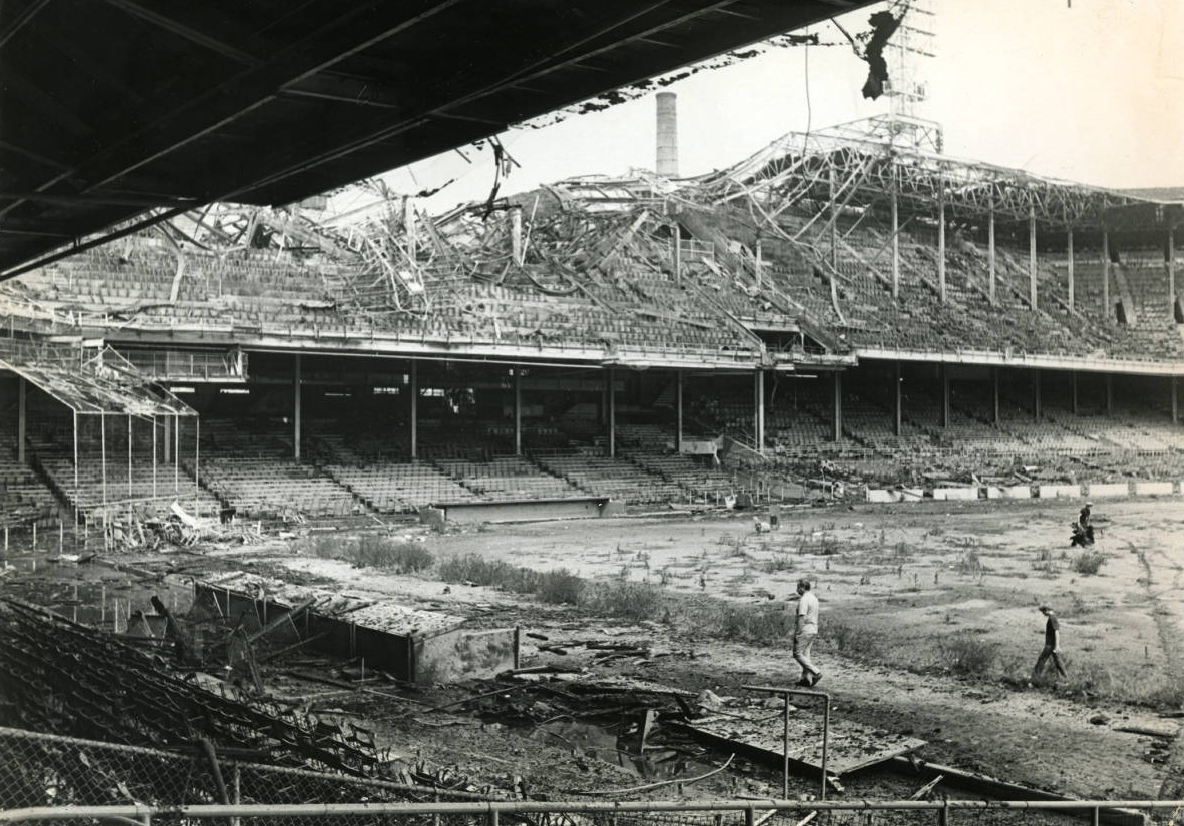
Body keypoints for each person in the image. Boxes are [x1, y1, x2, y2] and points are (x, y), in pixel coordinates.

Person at [793, 578, 821, 687]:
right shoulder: (814, 598)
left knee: (797, 653)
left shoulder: (804, 599)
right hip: (813, 628)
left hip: (805, 628)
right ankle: (805, 678)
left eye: (798, 587)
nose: (797, 590)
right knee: (806, 654)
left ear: (802, 587)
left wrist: (797, 633)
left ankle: (816, 672)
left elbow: (801, 617)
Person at [1033, 605, 1068, 681]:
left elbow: (1057, 632)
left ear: (1047, 610)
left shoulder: (1052, 618)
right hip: (1051, 644)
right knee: (1058, 661)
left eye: (1043, 611)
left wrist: (1057, 645)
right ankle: (1065, 677)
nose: (1043, 614)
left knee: (1042, 659)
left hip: (1051, 645)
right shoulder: (1052, 618)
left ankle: (1035, 676)